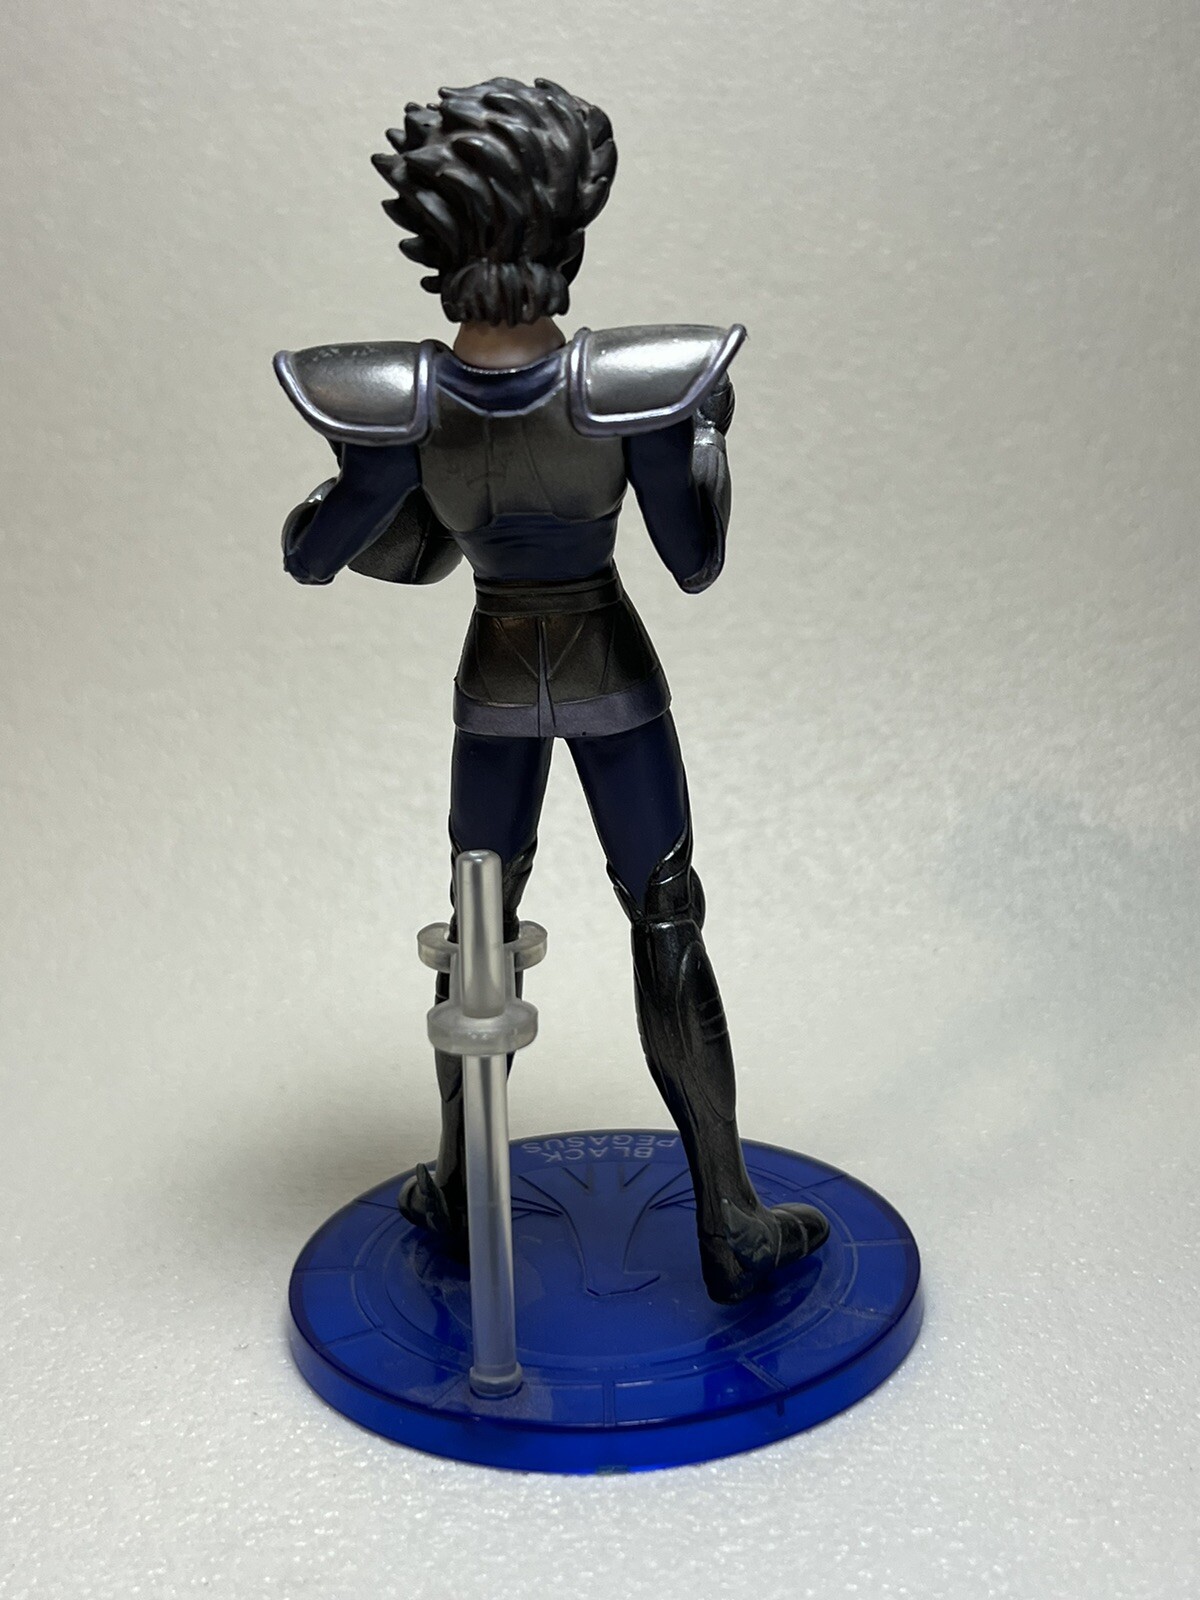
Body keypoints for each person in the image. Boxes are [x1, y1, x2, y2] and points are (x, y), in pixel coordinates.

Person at [274, 77, 828, 1302]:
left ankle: (458, 1182)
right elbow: (694, 560)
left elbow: (322, 555)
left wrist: (369, 472)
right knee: (664, 913)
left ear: (434, 240)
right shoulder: (623, 387)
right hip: (610, 668)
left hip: (492, 679)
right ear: (569, 227)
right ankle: (729, 1217)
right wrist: (705, 435)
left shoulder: (414, 402)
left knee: (479, 925)